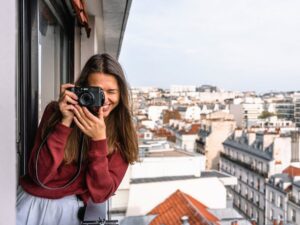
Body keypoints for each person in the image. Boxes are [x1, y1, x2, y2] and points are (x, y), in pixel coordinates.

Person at [16, 53, 139, 225]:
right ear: (82, 89)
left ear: (121, 94)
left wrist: (99, 141)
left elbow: (101, 194)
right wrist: (64, 121)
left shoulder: (121, 132)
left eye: (111, 92)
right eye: (97, 91)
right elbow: (40, 176)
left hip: (72, 212)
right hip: (30, 204)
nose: (104, 99)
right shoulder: (55, 111)